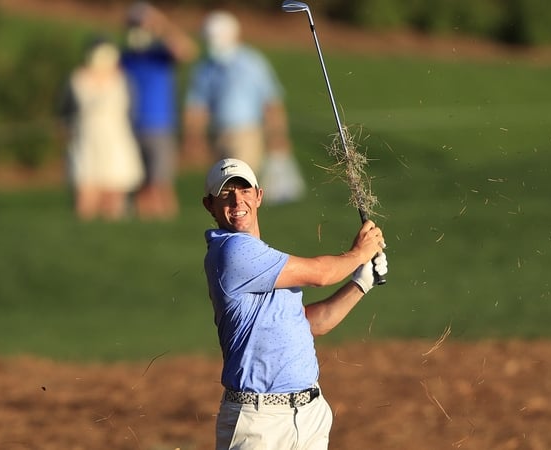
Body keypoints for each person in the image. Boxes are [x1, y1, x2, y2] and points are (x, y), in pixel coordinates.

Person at [200, 158, 388, 449]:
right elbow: (321, 275)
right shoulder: (231, 251)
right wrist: (359, 253)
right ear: (209, 205)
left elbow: (310, 324)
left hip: (309, 415)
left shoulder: (264, 260)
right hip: (259, 423)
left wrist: (361, 283)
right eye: (226, 194)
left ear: (258, 196)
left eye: (244, 190)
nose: (237, 200)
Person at [185, 11, 305, 205]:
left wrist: (277, 134)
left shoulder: (252, 63)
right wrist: (194, 137)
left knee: (240, 188)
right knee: (221, 190)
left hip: (246, 134)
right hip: (217, 134)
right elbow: (197, 106)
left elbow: (271, 101)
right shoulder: (205, 67)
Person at [120, 2, 198, 220]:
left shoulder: (161, 54)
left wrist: (160, 23)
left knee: (160, 184)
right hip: (129, 128)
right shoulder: (125, 57)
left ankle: (168, 222)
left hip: (159, 127)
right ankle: (145, 227)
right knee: (138, 185)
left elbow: (188, 50)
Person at [59, 38, 145, 221]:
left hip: (116, 140)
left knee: (114, 194)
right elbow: (64, 111)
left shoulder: (122, 79)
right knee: (85, 193)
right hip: (85, 141)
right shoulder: (77, 79)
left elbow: (132, 111)